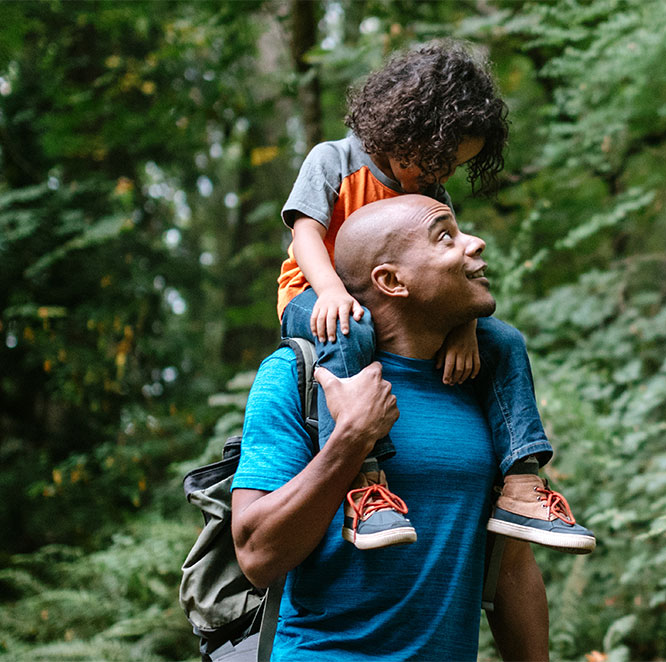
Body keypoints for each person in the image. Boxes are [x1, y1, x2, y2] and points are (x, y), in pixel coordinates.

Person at [277, 40, 595, 553]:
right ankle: (366, 480)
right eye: (438, 160)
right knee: (349, 326)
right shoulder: (334, 160)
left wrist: (465, 327)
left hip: (403, 306)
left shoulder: (430, 195)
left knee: (505, 341)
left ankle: (522, 484)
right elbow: (305, 235)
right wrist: (331, 290)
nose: (442, 176)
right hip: (317, 295)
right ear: (407, 128)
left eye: (453, 167)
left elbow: (455, 275)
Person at [232, 195, 550, 660]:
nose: (475, 243)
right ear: (391, 281)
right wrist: (352, 438)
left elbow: (512, 568)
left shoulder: (483, 381)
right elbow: (257, 556)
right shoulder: (299, 376)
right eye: (446, 236)